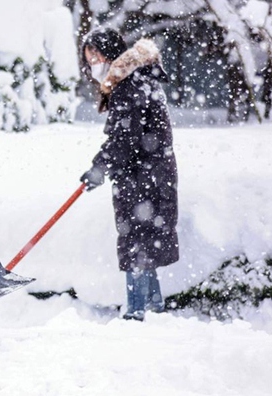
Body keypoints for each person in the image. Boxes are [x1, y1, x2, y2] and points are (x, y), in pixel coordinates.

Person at [78, 28, 179, 321]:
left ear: (110, 53)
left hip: (142, 176)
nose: (92, 63)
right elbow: (128, 137)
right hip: (150, 173)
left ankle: (136, 312)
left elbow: (124, 139)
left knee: (137, 241)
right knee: (145, 241)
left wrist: (99, 168)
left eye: (95, 56)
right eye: (89, 58)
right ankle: (154, 306)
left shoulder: (129, 83)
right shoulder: (138, 79)